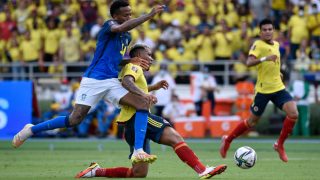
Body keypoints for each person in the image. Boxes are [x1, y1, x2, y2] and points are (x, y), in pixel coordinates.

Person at [12, 0, 164, 163]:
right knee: (74, 119)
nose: (128, 17)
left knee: (142, 103)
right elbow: (120, 27)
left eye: (130, 14)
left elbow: (115, 61)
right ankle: (31, 130)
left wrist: (130, 61)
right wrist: (149, 15)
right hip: (94, 80)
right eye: (125, 14)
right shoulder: (109, 25)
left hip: (112, 81)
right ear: (115, 16)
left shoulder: (126, 36)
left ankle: (138, 150)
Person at [75, 44, 227, 179]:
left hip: (131, 124)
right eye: (149, 55)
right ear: (139, 56)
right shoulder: (134, 67)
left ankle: (96, 171)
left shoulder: (130, 68)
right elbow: (128, 82)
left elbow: (130, 86)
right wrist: (145, 94)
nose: (152, 59)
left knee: (139, 173)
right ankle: (202, 170)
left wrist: (153, 87)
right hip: (138, 117)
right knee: (175, 137)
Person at [220, 19, 299, 163]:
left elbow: (274, 64)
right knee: (251, 122)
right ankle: (228, 140)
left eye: (270, 29)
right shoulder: (258, 45)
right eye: (265, 30)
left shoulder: (276, 44)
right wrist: (265, 58)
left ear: (273, 30)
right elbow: (249, 63)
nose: (268, 32)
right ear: (260, 32)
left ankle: (279, 144)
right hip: (263, 90)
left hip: (278, 87)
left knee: (293, 113)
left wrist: (278, 73)